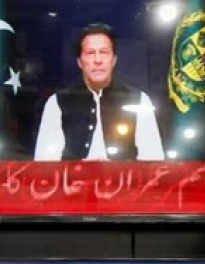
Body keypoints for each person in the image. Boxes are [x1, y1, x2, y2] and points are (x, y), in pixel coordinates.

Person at [33, 23, 165, 161]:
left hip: (123, 182)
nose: (97, 60)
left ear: (114, 60)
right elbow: (44, 164)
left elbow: (153, 162)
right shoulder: (56, 103)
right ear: (79, 61)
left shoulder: (139, 100)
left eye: (103, 52)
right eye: (90, 53)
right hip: (74, 182)